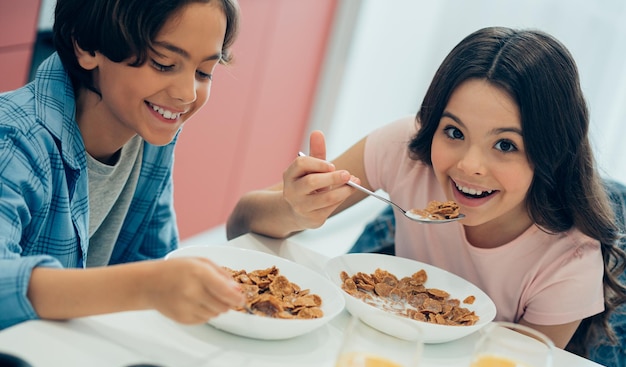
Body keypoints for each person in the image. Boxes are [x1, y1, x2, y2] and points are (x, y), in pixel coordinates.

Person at [227, 26, 626, 349]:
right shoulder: (407, 148)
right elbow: (240, 226)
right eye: (454, 131)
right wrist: (294, 211)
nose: (469, 165)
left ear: (551, 151)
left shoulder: (571, 259)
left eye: (505, 145)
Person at [0, 0, 246, 330]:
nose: (186, 93)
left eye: (204, 72)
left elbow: (155, 257)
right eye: (163, 64)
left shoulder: (150, 135)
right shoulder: (14, 139)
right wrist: (145, 286)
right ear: (86, 46)